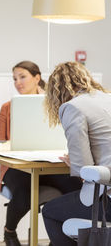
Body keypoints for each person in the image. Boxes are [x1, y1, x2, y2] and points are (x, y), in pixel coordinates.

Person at [0, 61, 82, 246]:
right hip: (16, 167)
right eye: (15, 79)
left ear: (37, 78)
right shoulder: (7, 108)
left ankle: (60, 239)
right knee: (25, 192)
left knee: (76, 186)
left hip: (50, 165)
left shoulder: (56, 105)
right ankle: (9, 232)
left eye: (22, 77)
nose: (18, 82)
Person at [42, 61, 111, 246]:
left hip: (108, 201)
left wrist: (75, 165)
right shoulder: (108, 98)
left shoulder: (73, 107)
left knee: (50, 211)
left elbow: (85, 169)